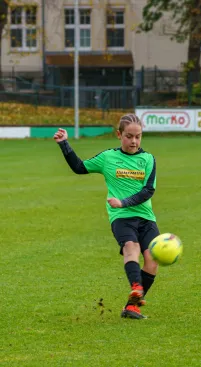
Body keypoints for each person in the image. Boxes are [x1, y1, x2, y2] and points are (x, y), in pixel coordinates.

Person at [54, 114, 159, 320]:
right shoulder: (108, 158)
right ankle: (136, 286)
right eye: (129, 136)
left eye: (138, 137)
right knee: (132, 248)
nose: (134, 141)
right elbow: (79, 167)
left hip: (146, 217)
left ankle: (132, 307)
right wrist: (64, 144)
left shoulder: (148, 159)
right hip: (121, 217)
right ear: (119, 135)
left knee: (152, 260)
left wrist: (124, 201)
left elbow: (148, 191)